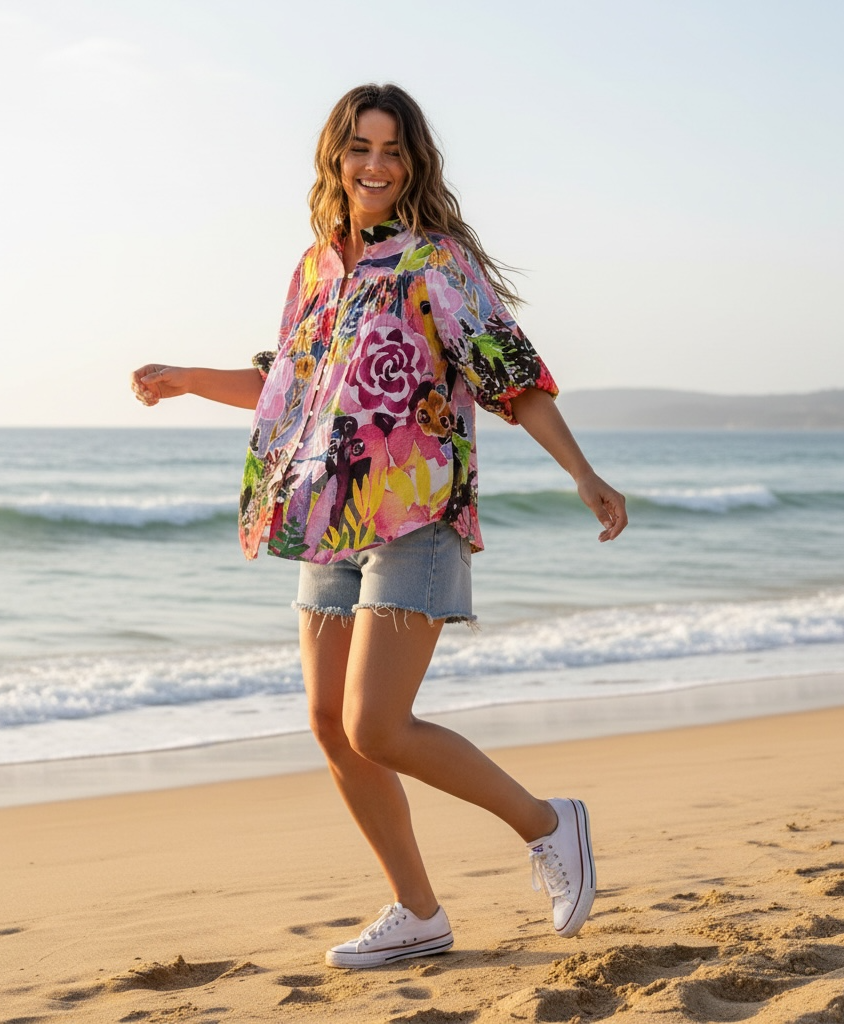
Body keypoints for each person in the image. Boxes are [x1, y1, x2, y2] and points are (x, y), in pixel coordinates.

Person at [131, 83, 627, 970]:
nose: (375, 164)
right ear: (336, 156)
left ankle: (549, 824)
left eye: (393, 150)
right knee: (330, 723)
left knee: (376, 725)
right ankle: (418, 912)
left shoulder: (436, 261)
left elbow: (512, 375)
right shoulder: (316, 268)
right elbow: (288, 385)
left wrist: (581, 472)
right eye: (361, 147)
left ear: (413, 163)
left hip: (417, 515)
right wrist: (184, 378)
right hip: (327, 518)